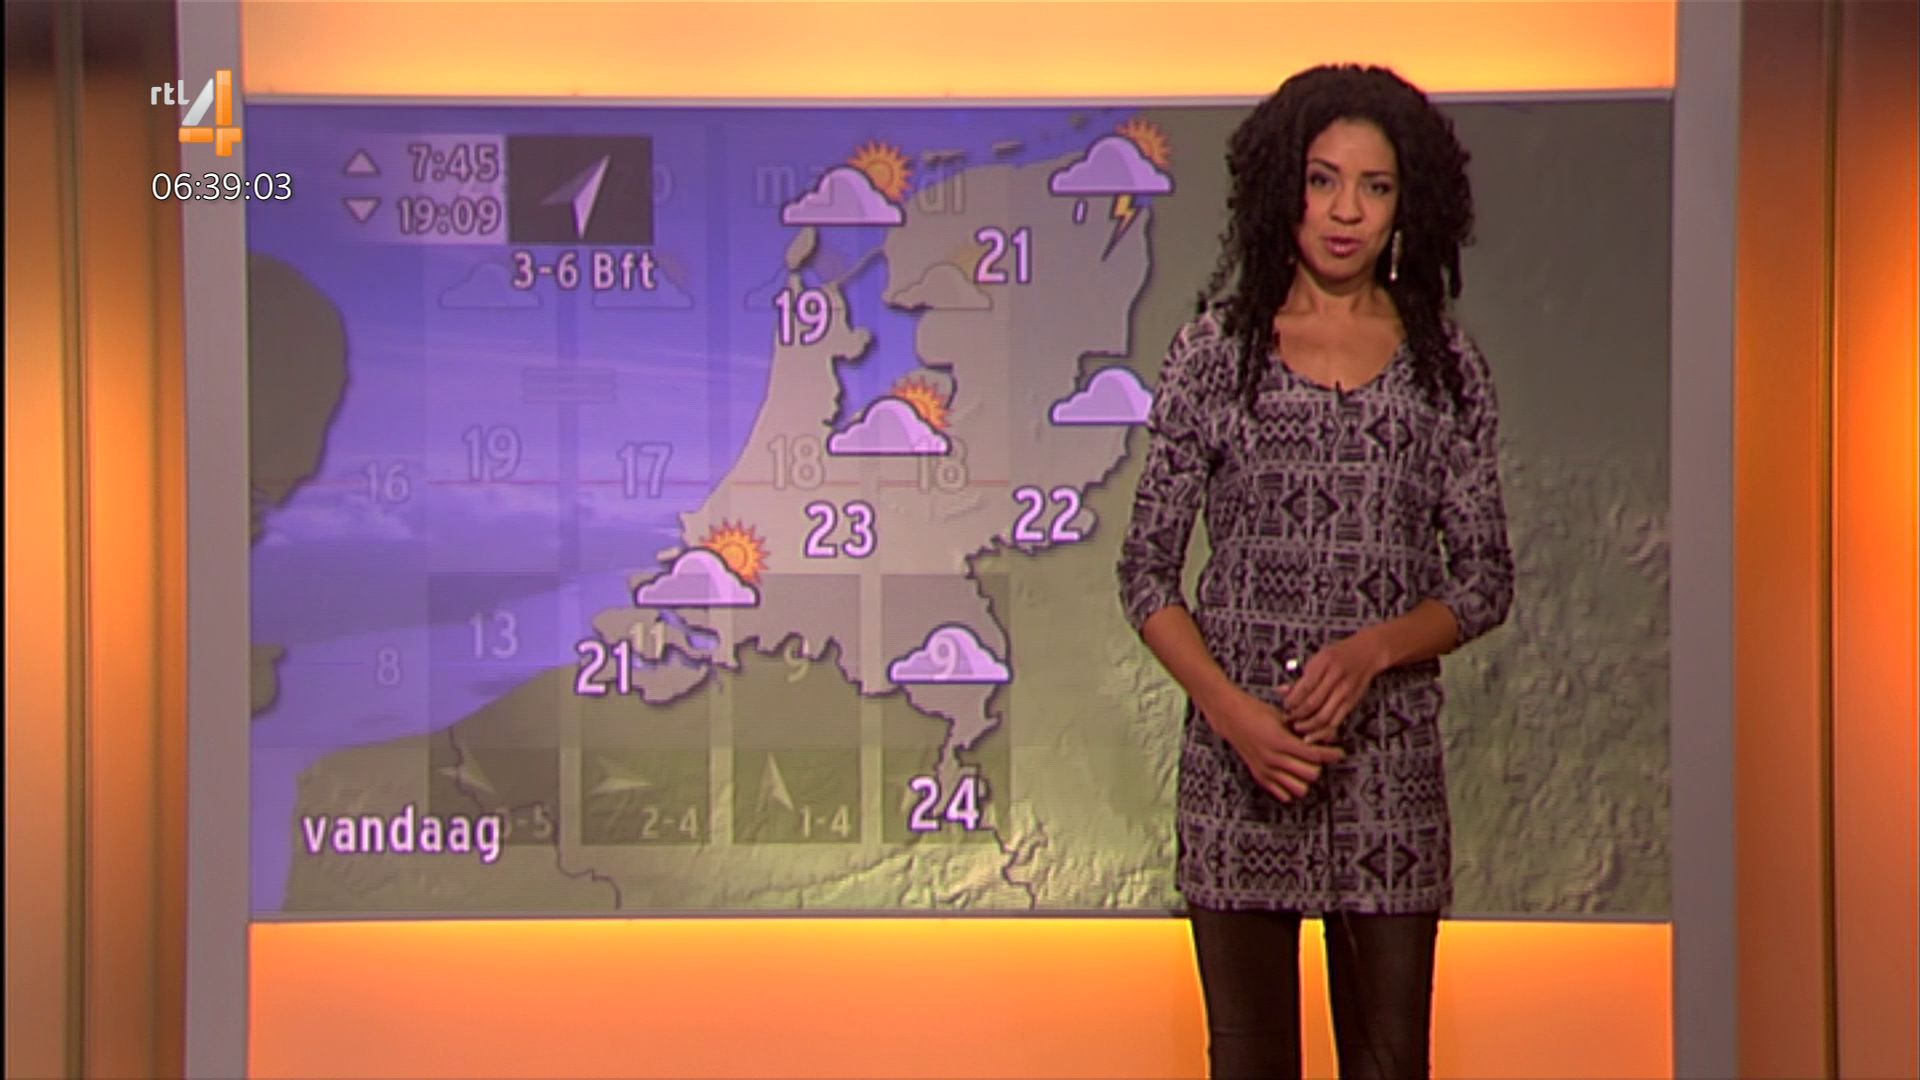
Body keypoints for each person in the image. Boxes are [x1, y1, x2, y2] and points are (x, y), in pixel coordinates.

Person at [1116, 64, 1515, 1080]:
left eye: (1374, 187)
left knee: (1390, 1063)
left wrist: (1375, 649)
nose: (1346, 212)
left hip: (1388, 778)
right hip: (1240, 776)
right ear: (1280, 189)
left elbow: (1483, 578)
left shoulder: (1444, 368)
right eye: (1323, 180)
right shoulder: (1216, 355)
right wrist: (1233, 717)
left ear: (1408, 203)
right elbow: (1147, 574)